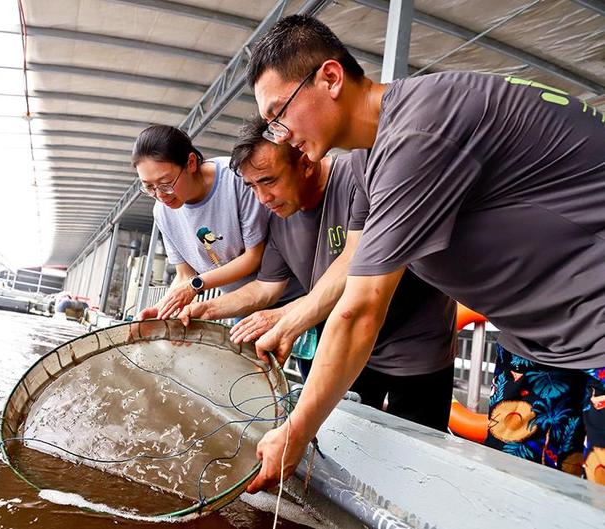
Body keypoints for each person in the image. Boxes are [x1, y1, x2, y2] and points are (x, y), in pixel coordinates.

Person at [245, 14, 605, 491]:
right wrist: (290, 316)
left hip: (595, 321)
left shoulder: (421, 130)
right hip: (537, 340)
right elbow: (358, 260)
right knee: (515, 496)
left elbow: (361, 308)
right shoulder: (369, 158)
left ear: (330, 78)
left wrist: (297, 430)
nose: (280, 135)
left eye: (279, 114)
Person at [179, 115, 456, 432]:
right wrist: (206, 308)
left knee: (419, 450)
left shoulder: (359, 177)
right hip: (348, 345)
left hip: (416, 345)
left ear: (306, 162)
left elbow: (356, 269)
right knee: (346, 442)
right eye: (252, 186)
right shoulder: (278, 214)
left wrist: (285, 318)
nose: (262, 198)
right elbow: (266, 289)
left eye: (269, 181)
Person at [132, 124, 300, 320]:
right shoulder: (162, 212)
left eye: (166, 184)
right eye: (149, 188)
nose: (160, 196)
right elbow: (184, 275)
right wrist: (160, 311)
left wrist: (196, 285)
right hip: (239, 303)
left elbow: (253, 257)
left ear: (191, 163)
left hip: (285, 293)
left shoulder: (236, 179)